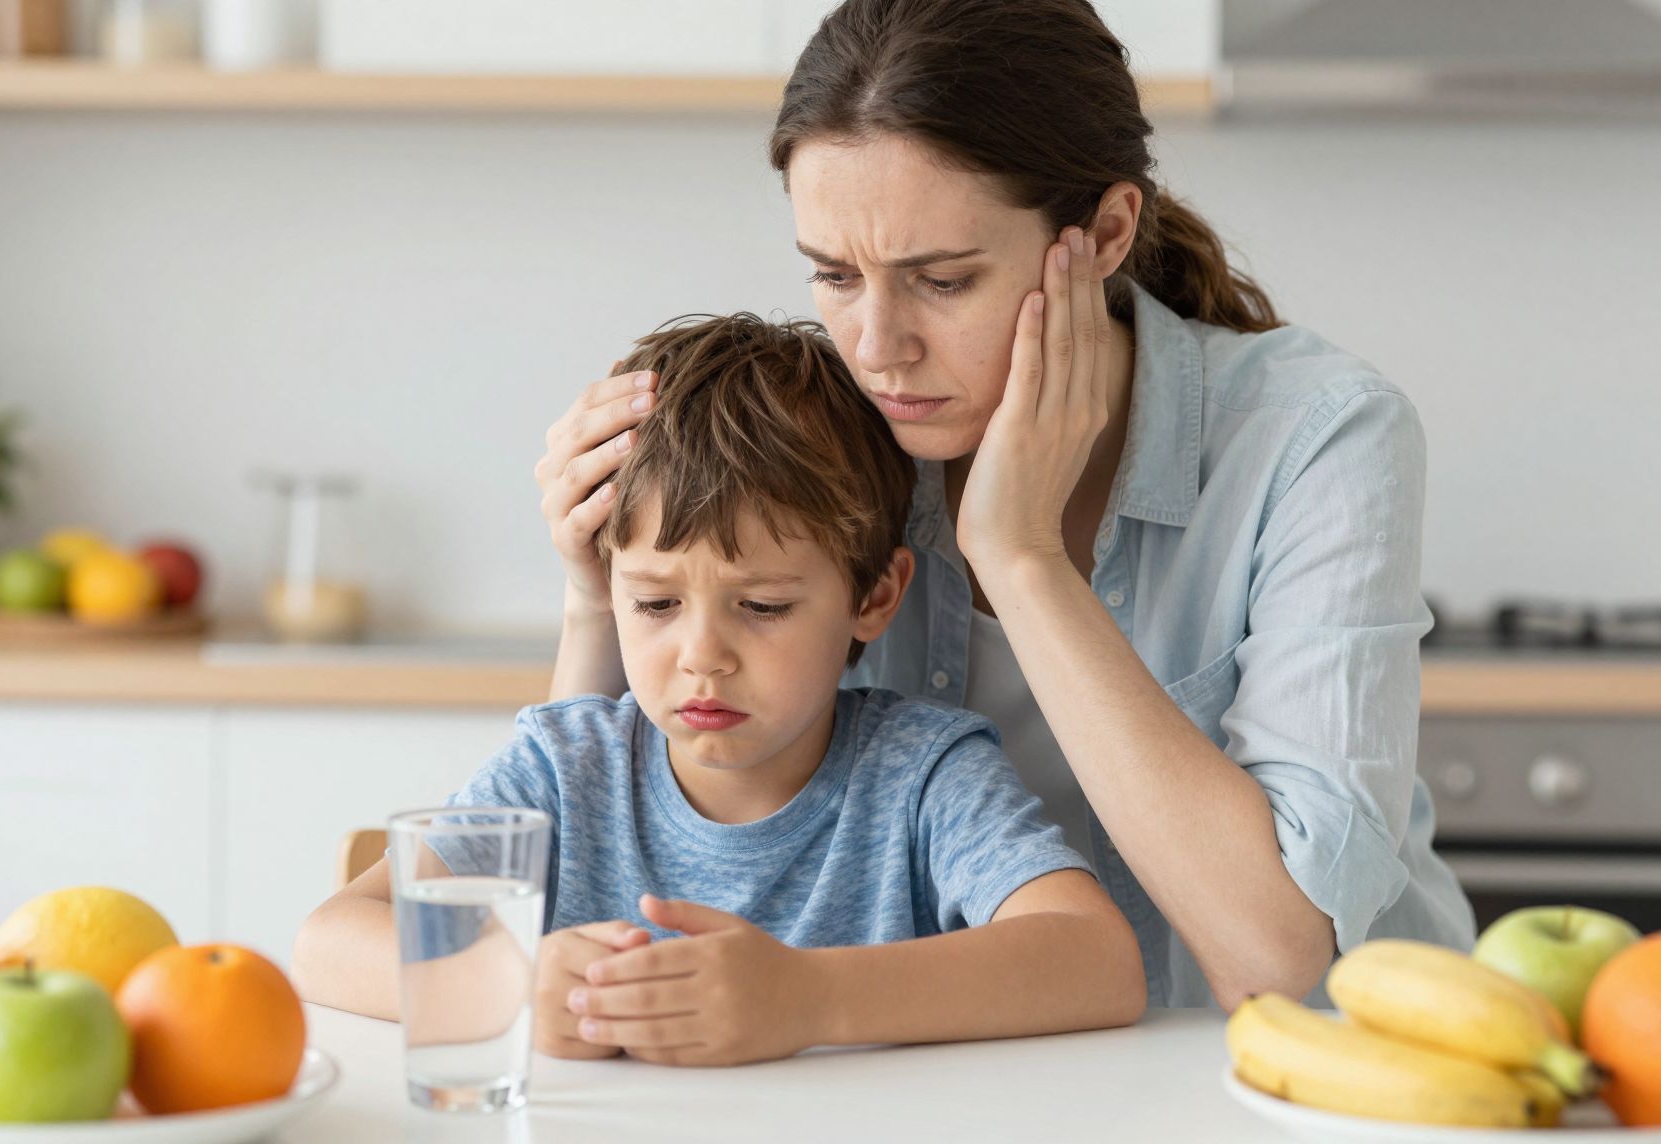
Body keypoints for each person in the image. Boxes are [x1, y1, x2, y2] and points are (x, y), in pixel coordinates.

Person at [533, 0, 1475, 1011]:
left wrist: (1022, 557)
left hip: (1315, 1083)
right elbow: (583, 851)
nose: (876, 347)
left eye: (940, 280)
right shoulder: (825, 444)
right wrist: (594, 602)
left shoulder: (1315, 434)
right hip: (969, 1086)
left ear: (1106, 232)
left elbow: (1274, 961)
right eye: (833, 275)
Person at [294, 313, 1145, 1067]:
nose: (702, 657)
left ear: (874, 596)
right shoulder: (567, 763)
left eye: (764, 606)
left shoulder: (923, 773)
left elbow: (1098, 959)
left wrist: (806, 997)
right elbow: (329, 941)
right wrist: (511, 979)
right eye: (656, 603)